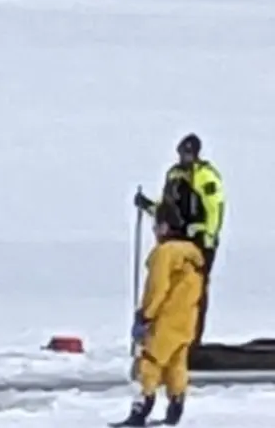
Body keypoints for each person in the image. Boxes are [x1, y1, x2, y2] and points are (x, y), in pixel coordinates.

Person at [116, 201, 205, 427]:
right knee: (176, 364)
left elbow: (158, 287)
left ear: (165, 227)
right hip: (187, 320)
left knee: (149, 363)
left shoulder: (165, 253)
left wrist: (145, 315)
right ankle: (175, 408)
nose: (154, 232)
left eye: (156, 227)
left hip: (165, 320)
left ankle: (140, 410)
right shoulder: (192, 255)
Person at [134, 133, 225, 342]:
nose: (185, 157)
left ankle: (192, 340)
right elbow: (167, 208)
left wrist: (207, 234)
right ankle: (164, 336)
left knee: (193, 292)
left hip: (198, 242)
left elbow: (214, 209)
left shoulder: (206, 177)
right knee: (168, 288)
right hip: (174, 240)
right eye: (182, 152)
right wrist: (148, 206)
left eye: (188, 153)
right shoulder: (174, 175)